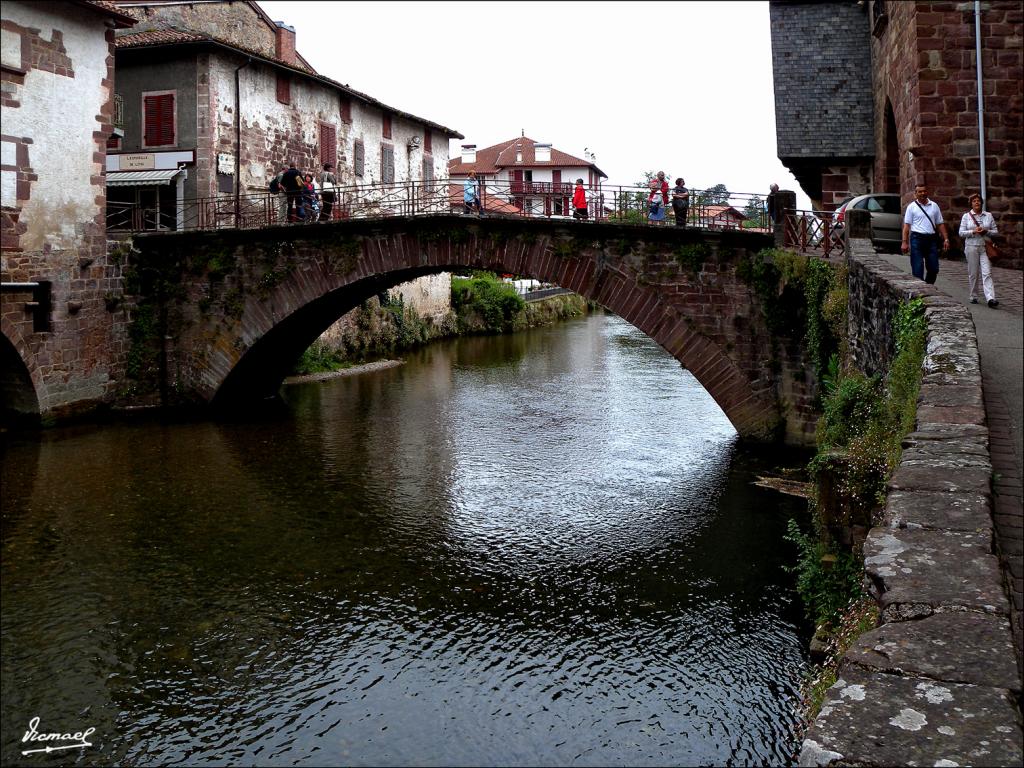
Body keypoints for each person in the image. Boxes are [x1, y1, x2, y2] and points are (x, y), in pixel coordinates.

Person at [901, 182, 949, 284]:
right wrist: (904, 242)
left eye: (924, 191)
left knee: (934, 268)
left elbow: (940, 224)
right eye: (920, 192)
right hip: (916, 239)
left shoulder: (934, 206)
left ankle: (928, 286)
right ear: (916, 194)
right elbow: (907, 226)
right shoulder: (911, 207)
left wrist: (946, 239)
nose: (922, 193)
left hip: (931, 239)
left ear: (927, 192)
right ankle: (921, 289)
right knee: (917, 268)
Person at [959, 192, 999, 308]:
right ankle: (974, 295)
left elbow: (995, 232)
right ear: (971, 204)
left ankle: (990, 298)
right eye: (974, 201)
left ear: (981, 203)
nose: (977, 203)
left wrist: (986, 231)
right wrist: (973, 231)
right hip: (971, 247)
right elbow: (961, 233)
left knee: (987, 272)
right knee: (974, 273)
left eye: (978, 201)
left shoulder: (988, 215)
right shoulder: (966, 216)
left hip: (985, 247)